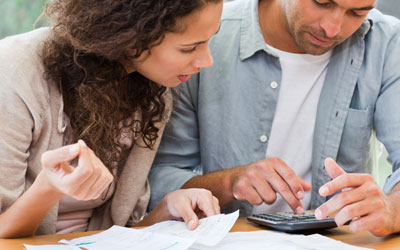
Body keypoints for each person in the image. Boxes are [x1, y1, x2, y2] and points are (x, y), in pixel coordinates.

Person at [149, 0, 400, 237]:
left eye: (357, 13)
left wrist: (392, 208)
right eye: (321, 3)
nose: (332, 29)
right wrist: (228, 183)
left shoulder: (386, 43)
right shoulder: (204, 39)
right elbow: (157, 180)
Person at [0, 0, 223, 238]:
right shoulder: (16, 71)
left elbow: (115, 234)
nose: (207, 61)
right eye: (189, 48)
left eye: (210, 41)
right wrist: (49, 187)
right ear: (132, 35)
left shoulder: (152, 94)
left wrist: (168, 208)